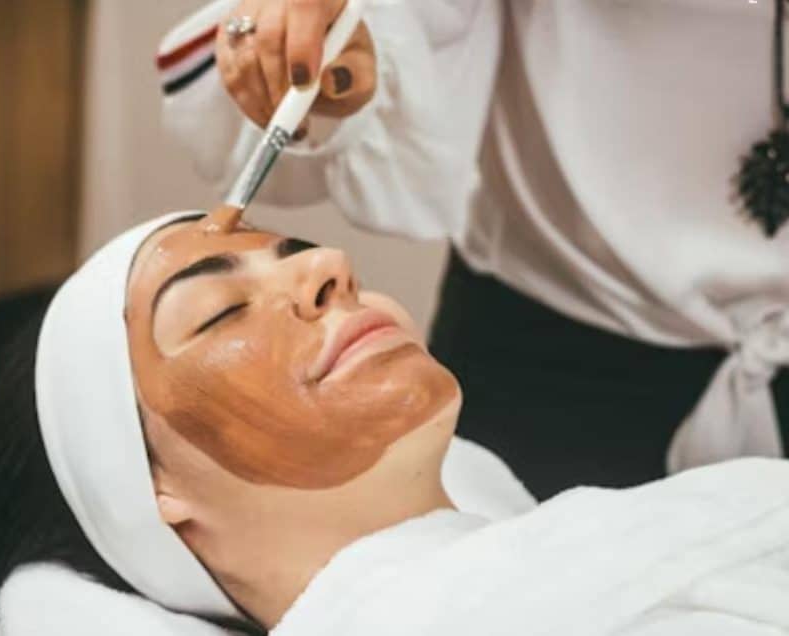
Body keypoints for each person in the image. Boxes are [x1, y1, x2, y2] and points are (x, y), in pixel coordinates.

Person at [0, 208, 789, 635]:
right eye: (216, 315)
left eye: (291, 253)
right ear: (150, 487)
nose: (327, 264)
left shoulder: (596, 555)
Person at [156, 0, 789, 499]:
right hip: (555, 375)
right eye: (218, 310)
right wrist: (340, 43)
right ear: (161, 494)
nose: (329, 264)